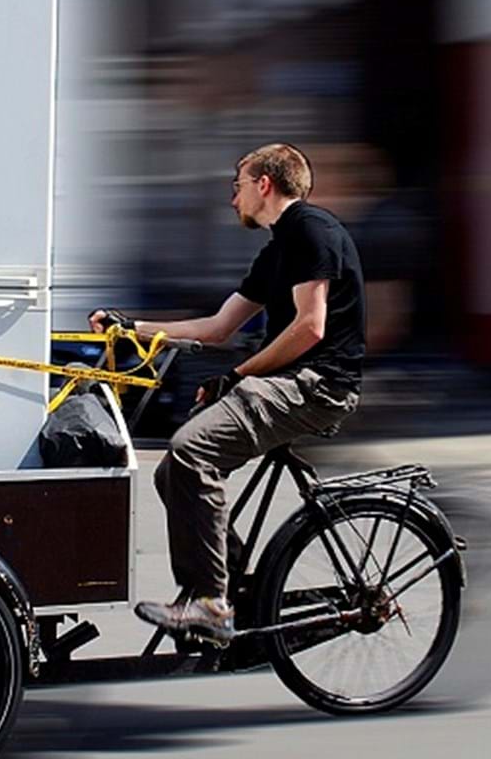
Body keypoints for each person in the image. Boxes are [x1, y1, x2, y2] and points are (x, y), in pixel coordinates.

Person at [89, 143, 366, 645]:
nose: (232, 198)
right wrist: (133, 327)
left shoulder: (312, 230)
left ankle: (211, 605)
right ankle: (231, 585)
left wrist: (237, 376)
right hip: (285, 383)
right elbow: (217, 327)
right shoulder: (277, 250)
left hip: (318, 385)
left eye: (237, 186)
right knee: (172, 473)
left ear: (264, 184)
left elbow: (310, 327)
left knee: (191, 452)